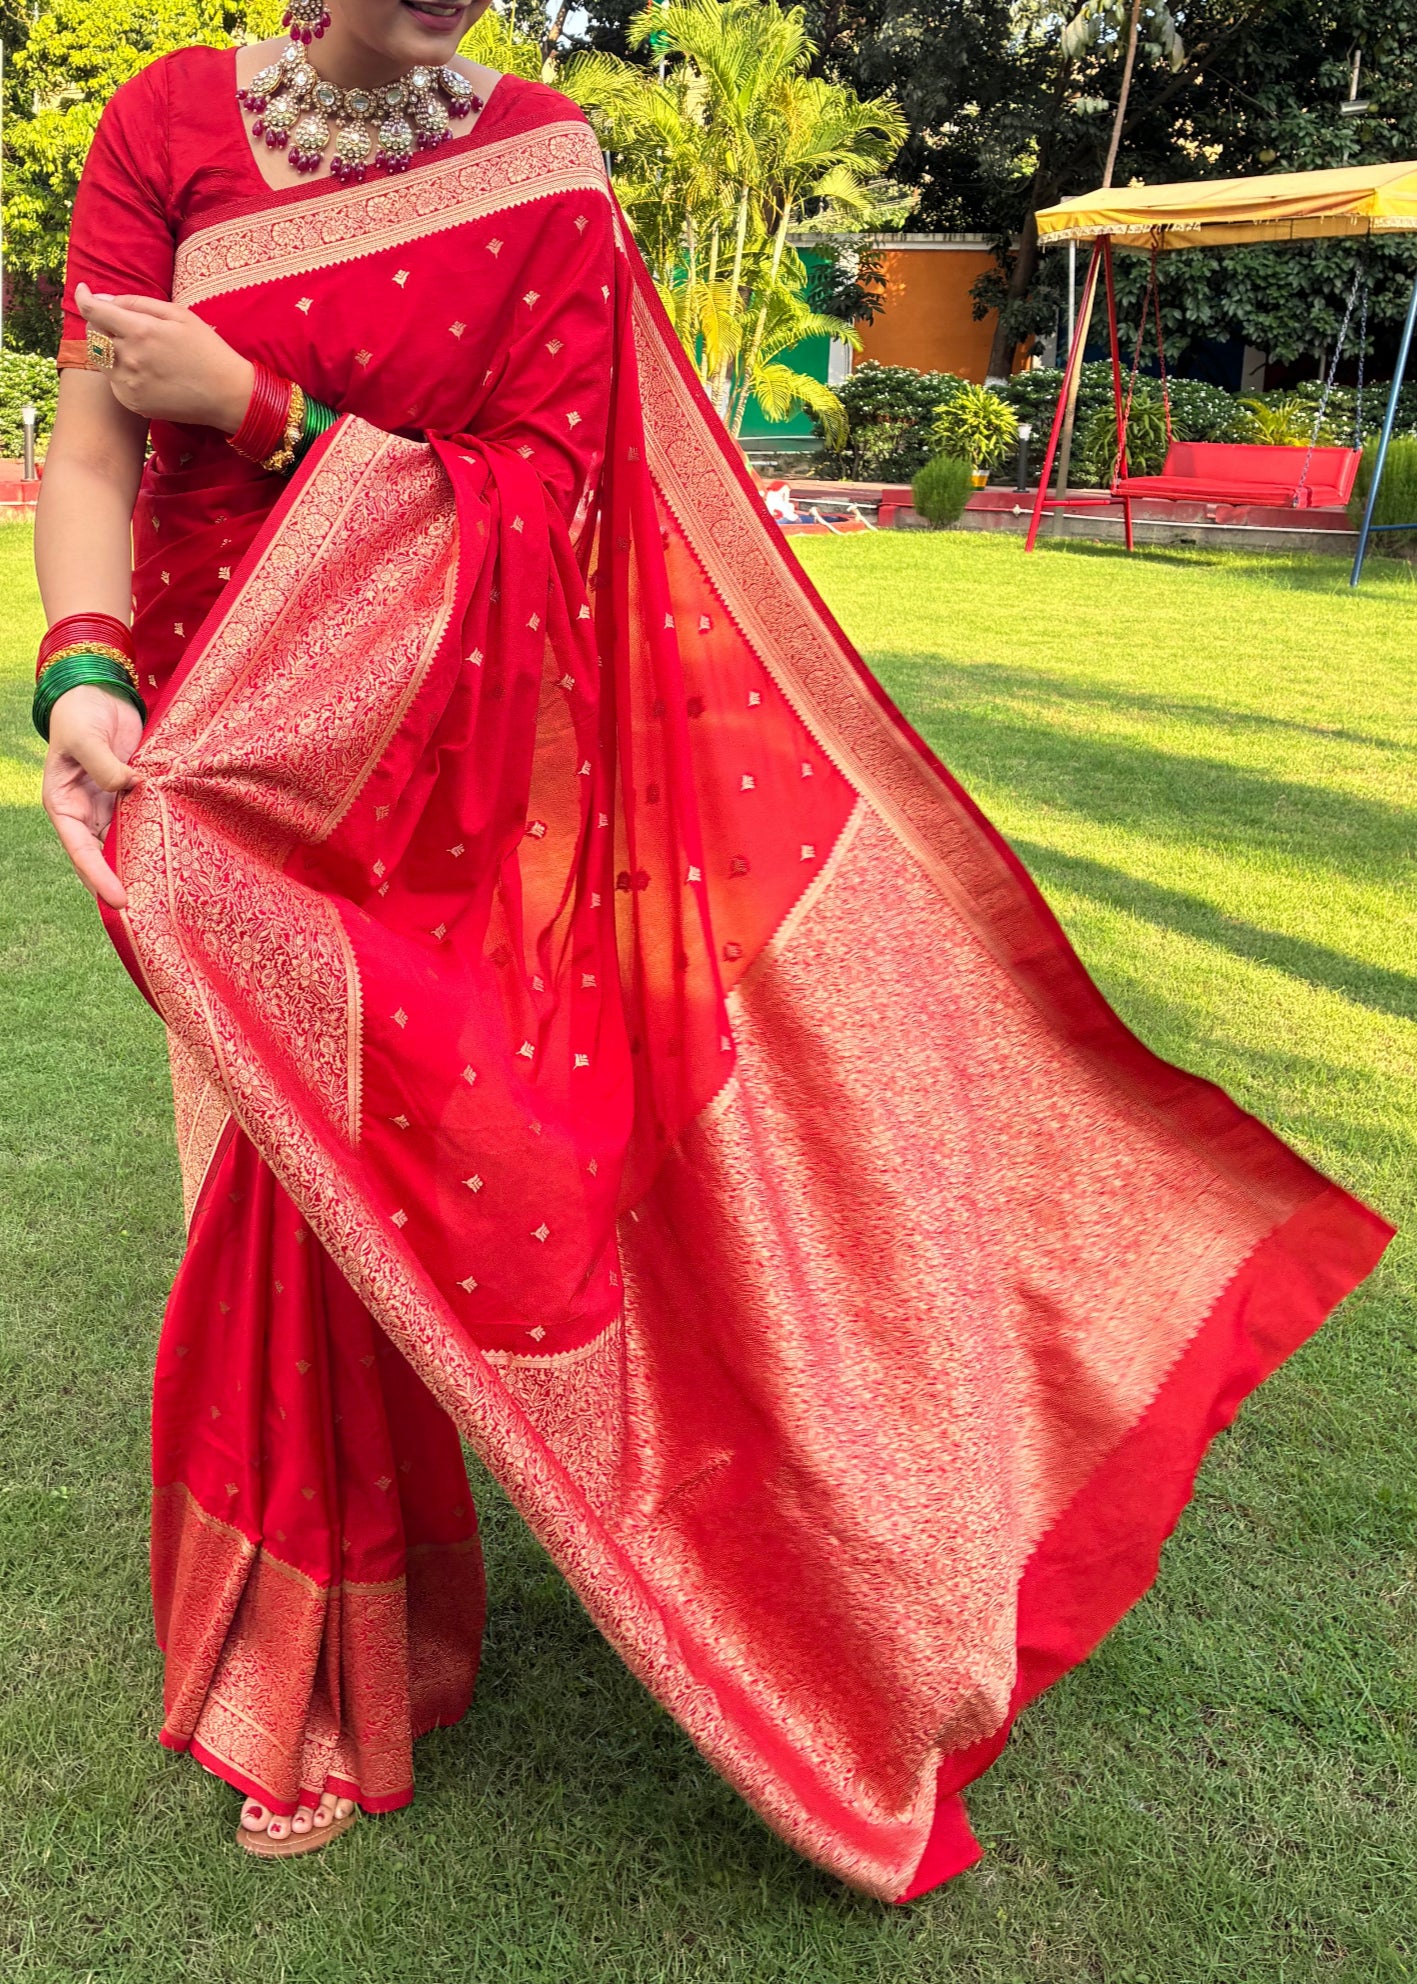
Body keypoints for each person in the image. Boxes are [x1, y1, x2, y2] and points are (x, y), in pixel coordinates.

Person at [34, 0, 1392, 1892]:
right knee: (266, 1183)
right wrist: (81, 667)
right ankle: (326, 1642)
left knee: (406, 1159)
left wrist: (270, 415)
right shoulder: (166, 126)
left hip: (445, 763)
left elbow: (559, 500)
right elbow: (92, 454)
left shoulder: (540, 166)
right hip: (209, 750)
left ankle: (399, 1648)